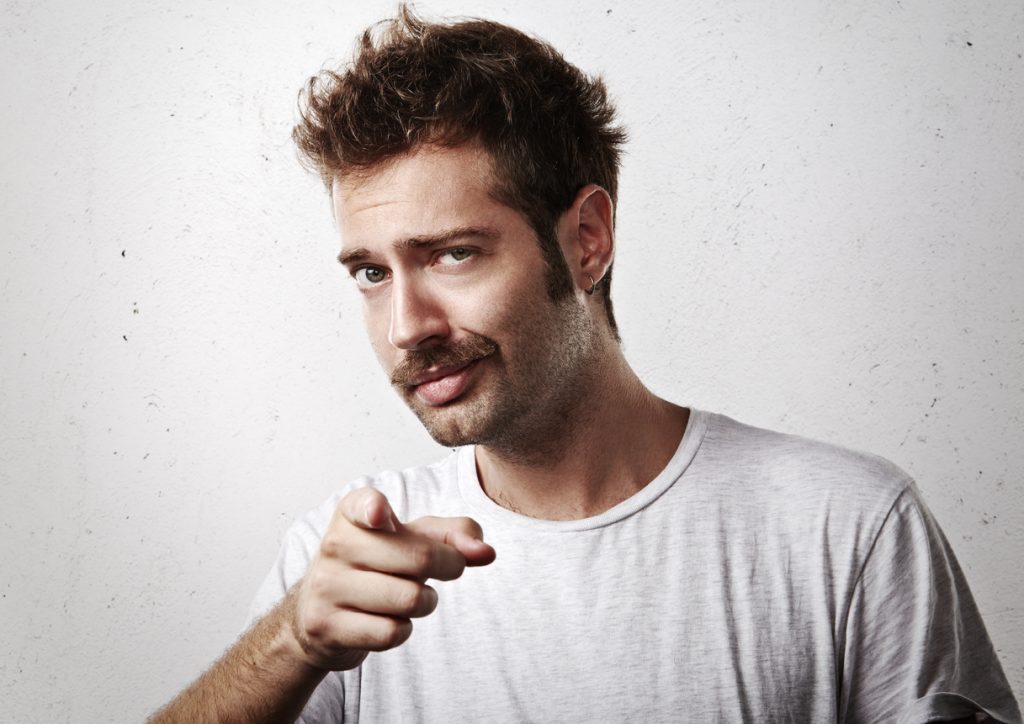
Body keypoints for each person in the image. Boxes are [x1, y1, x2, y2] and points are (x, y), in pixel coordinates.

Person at [152, 7, 1021, 723]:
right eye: (373, 273)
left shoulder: (845, 527)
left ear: (587, 240)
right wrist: (292, 644)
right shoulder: (349, 568)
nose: (404, 327)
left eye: (453, 254)